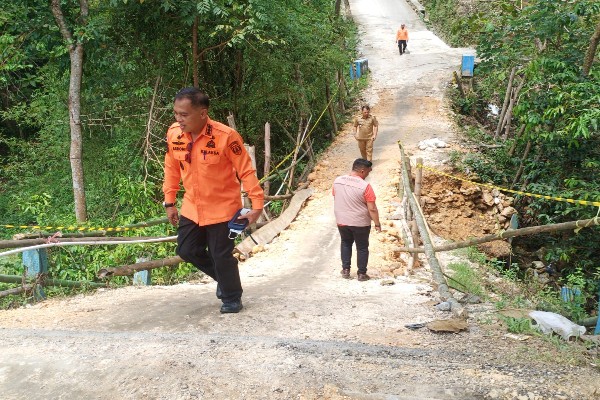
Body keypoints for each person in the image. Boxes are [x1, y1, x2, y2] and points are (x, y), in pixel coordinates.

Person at [163, 87, 264, 314]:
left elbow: (246, 171)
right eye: (176, 114)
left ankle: (231, 297)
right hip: (192, 206)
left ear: (202, 113)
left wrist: (257, 205)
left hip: (224, 208)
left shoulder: (226, 136)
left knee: (220, 254)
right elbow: (171, 168)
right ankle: (226, 278)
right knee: (187, 250)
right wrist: (169, 201)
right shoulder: (174, 134)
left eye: (184, 115)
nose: (179, 119)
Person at [332, 159, 382, 281]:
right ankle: (361, 274)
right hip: (360, 222)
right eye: (368, 172)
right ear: (362, 170)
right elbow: (372, 209)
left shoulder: (337, 181)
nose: (367, 175)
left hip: (342, 220)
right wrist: (377, 223)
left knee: (346, 243)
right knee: (362, 247)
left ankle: (345, 270)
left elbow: (336, 196)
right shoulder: (365, 187)